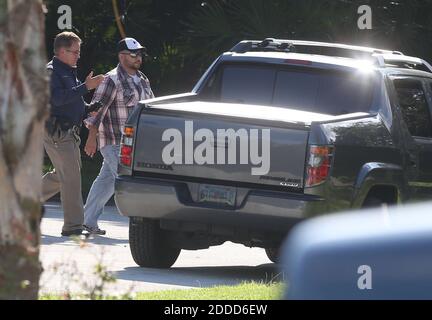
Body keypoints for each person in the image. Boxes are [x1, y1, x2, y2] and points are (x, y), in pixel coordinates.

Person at [83, 37, 154, 235]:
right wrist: (91, 138)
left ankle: (87, 222)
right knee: (129, 182)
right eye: (134, 54)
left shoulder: (142, 79)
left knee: (106, 182)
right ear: (121, 56)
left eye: (140, 54)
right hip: (114, 142)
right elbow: (95, 110)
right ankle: (147, 229)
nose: (138, 57)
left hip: (135, 144)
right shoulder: (111, 79)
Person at [42, 31, 104, 236]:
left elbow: (71, 101)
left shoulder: (68, 70)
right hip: (57, 132)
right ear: (61, 51)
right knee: (71, 178)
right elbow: (58, 99)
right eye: (74, 51)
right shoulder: (52, 71)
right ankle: (74, 226)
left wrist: (88, 108)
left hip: (68, 132)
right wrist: (86, 86)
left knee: (62, 176)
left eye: (79, 51)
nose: (78, 55)